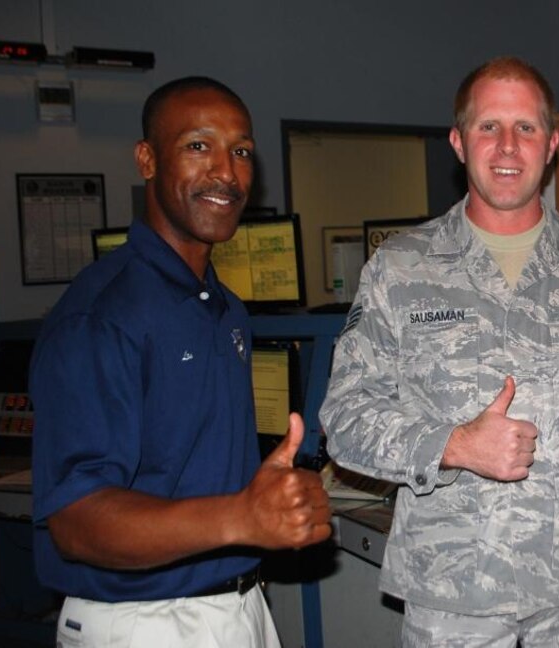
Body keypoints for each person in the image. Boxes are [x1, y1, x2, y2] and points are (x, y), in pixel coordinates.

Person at [319, 57, 559, 647]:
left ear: (553, 144)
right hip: (454, 596)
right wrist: (454, 445)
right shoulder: (399, 269)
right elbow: (344, 420)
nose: (508, 146)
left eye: (526, 127)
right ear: (459, 142)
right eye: (489, 127)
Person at [30, 76, 332, 648]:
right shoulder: (103, 315)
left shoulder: (224, 309)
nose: (226, 171)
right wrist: (242, 517)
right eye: (199, 146)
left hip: (236, 604)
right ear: (146, 159)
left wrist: (269, 496)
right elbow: (77, 520)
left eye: (240, 151)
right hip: (144, 620)